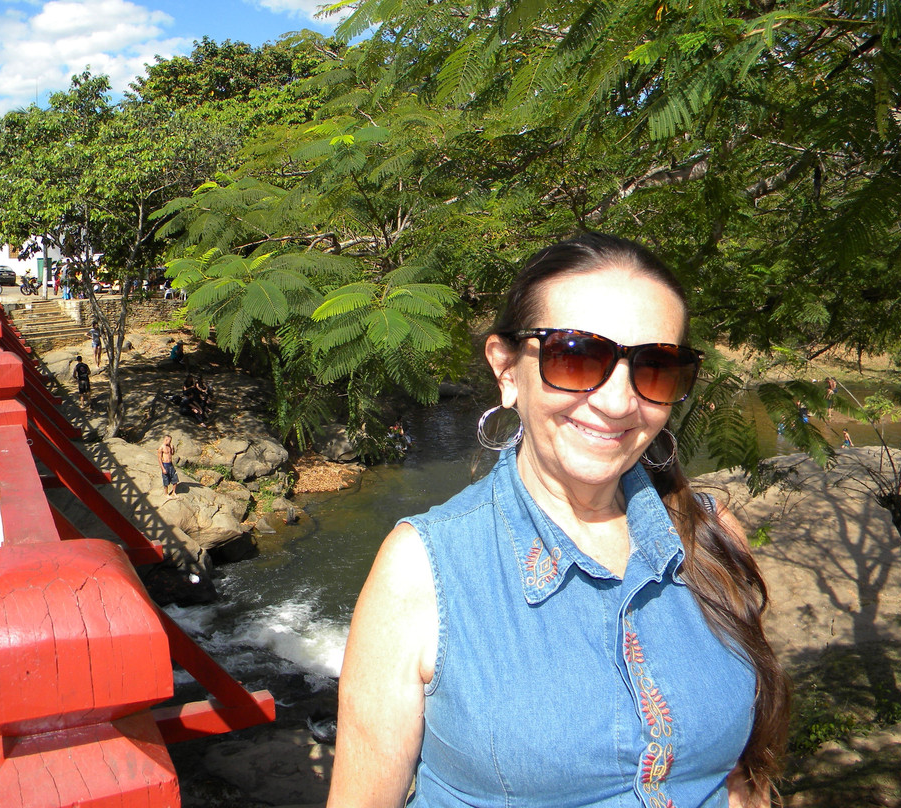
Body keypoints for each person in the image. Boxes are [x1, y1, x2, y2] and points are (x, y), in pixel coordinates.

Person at [328, 234, 789, 808]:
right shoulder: (422, 568)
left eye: (655, 367)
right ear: (507, 370)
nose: (619, 403)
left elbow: (742, 779)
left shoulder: (712, 536)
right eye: (577, 356)